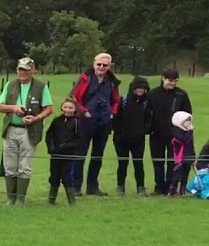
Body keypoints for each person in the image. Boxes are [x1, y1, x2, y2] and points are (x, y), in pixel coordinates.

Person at [0, 57, 53, 206]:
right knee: (9, 165)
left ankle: (20, 199)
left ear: (33, 71)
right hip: (11, 130)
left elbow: (49, 108)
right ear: (17, 70)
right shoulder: (10, 84)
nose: (23, 73)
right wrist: (13, 108)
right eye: (20, 70)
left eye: (26, 70)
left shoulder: (41, 87)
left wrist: (36, 118)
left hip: (30, 131)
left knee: (25, 166)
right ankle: (11, 198)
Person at [68, 53, 121, 196]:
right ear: (94, 64)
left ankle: (93, 186)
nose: (101, 67)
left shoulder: (112, 81)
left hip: (103, 122)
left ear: (109, 66)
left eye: (105, 65)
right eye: (99, 64)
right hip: (85, 121)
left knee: (97, 155)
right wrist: (84, 112)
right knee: (80, 154)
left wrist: (112, 113)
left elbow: (116, 100)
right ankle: (75, 186)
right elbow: (73, 98)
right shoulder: (85, 78)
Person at [149, 68, 193, 195]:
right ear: (163, 78)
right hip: (156, 133)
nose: (172, 83)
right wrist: (149, 128)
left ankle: (169, 186)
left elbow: (188, 114)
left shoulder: (181, 94)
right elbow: (148, 113)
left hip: (175, 135)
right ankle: (158, 187)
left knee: (172, 161)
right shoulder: (153, 93)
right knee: (157, 161)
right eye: (170, 80)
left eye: (175, 80)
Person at [112, 76, 153, 196]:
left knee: (138, 163)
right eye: (138, 87)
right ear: (133, 88)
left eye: (143, 88)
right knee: (122, 163)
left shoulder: (146, 102)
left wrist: (143, 130)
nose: (140, 90)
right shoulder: (123, 100)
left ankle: (141, 187)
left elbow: (149, 120)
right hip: (122, 138)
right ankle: (120, 186)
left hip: (138, 139)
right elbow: (116, 118)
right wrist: (120, 131)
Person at [45, 97, 82, 206]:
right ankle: (51, 200)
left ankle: (72, 202)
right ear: (62, 108)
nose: (67, 109)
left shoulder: (76, 122)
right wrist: (51, 147)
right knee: (54, 176)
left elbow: (78, 140)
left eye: (70, 108)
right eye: (65, 107)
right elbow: (49, 134)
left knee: (66, 177)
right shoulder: (56, 120)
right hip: (55, 154)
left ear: (75, 109)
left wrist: (65, 147)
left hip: (68, 155)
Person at [169, 111, 195, 197]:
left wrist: (193, 157)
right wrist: (190, 132)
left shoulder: (188, 131)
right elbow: (183, 140)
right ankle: (173, 189)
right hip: (179, 157)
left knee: (185, 174)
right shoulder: (175, 131)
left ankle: (182, 189)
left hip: (188, 155)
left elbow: (191, 144)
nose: (189, 123)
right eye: (187, 120)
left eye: (189, 121)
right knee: (177, 174)